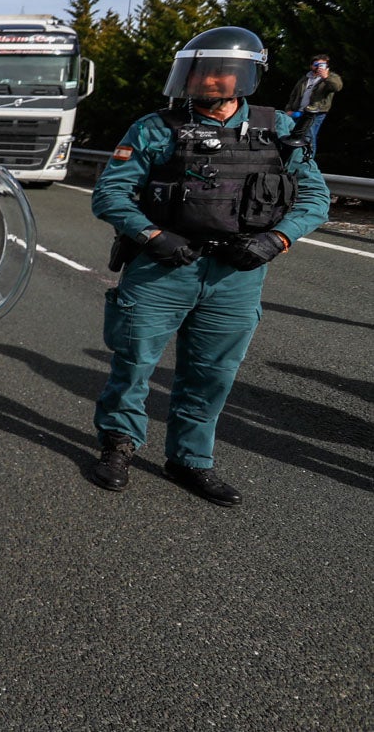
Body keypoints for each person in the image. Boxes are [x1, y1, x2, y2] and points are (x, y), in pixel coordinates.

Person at [90, 26, 330, 507]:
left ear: (243, 76)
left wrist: (275, 240)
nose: (208, 81)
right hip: (162, 267)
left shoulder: (278, 129)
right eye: (199, 71)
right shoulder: (156, 127)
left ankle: (190, 460)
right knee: (134, 364)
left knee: (212, 374)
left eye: (219, 72)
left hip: (236, 275)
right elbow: (110, 193)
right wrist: (152, 236)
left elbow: (315, 198)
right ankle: (118, 445)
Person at [283, 54, 342, 156]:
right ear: (311, 66)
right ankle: (293, 159)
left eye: (322, 65)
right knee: (291, 135)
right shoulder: (305, 78)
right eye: (316, 64)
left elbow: (337, 87)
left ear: (327, 66)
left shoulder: (331, 77)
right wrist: (288, 109)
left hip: (315, 113)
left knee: (308, 136)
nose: (319, 67)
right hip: (298, 112)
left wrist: (325, 77)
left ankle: (308, 162)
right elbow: (293, 95)